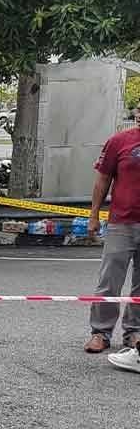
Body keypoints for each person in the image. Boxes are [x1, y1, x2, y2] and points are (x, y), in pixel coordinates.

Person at [84, 109, 140, 365]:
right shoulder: (119, 141)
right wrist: (94, 216)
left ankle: (134, 333)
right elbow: (102, 180)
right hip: (121, 222)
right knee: (109, 281)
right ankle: (101, 332)